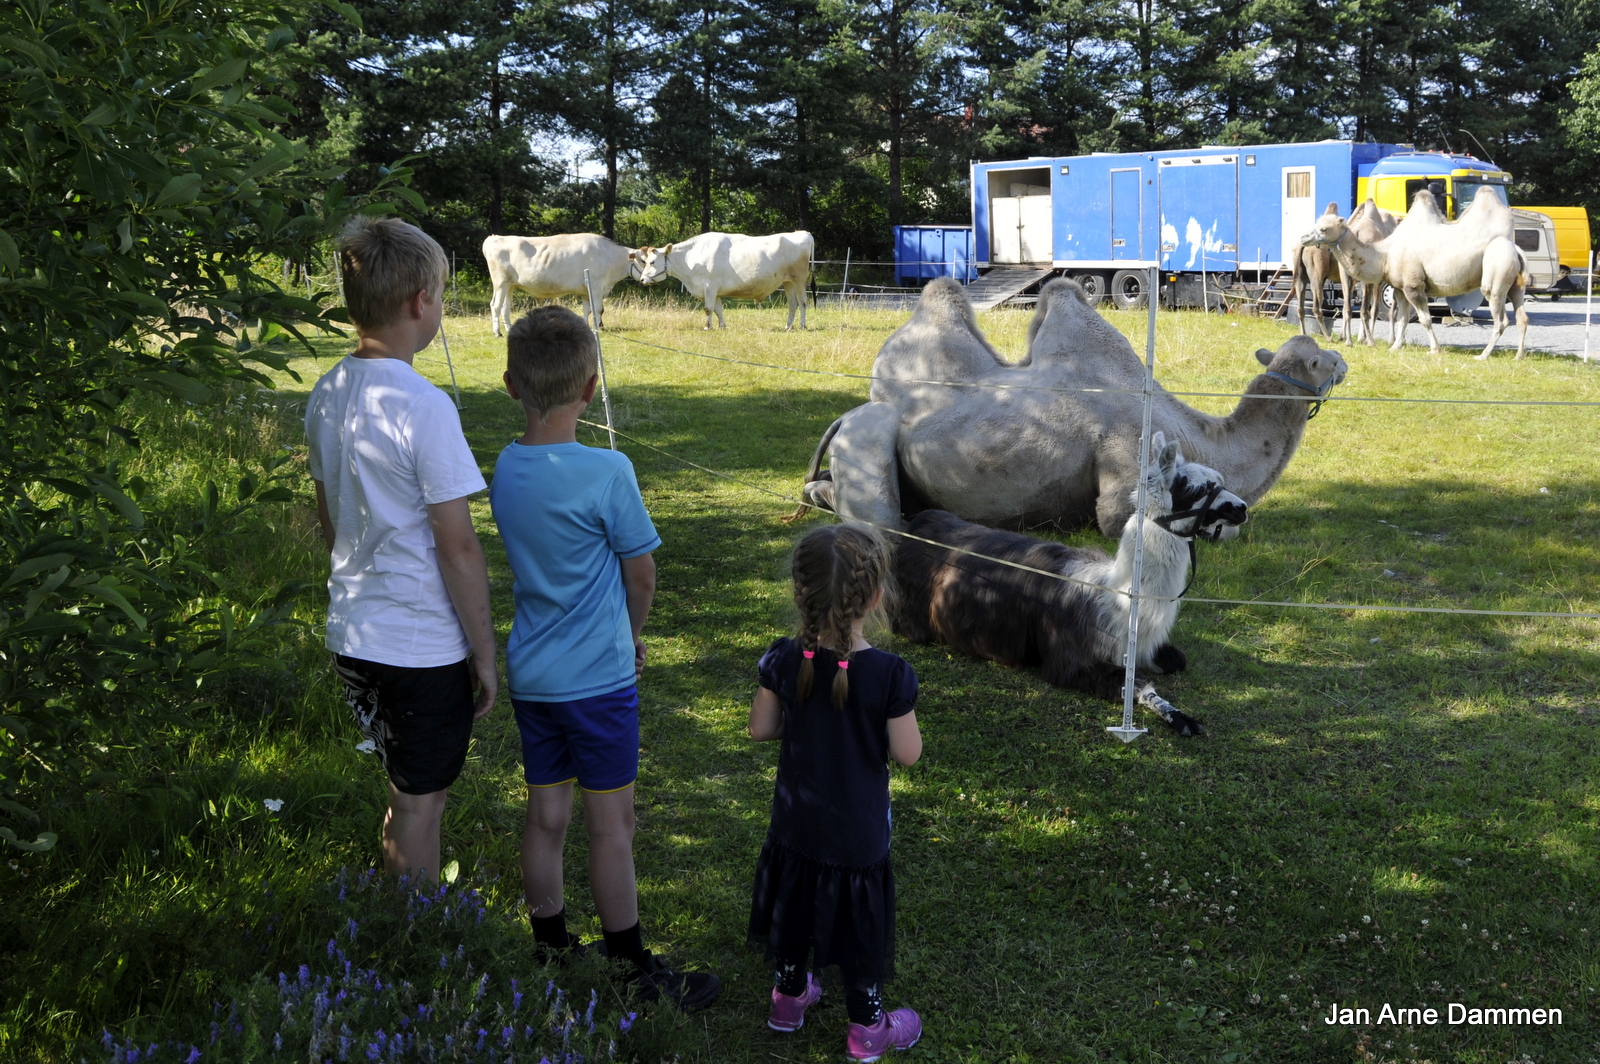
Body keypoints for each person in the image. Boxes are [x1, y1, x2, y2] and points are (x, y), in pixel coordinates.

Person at [489, 305, 720, 1010]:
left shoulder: (504, 464)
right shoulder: (609, 471)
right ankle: (629, 969)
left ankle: (552, 948)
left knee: (545, 817)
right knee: (611, 824)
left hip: (533, 675)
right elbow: (641, 574)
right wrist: (631, 633)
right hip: (598, 681)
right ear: (591, 388)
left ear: (509, 385)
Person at [305, 215, 497, 883]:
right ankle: (412, 943)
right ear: (423, 301)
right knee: (419, 800)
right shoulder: (424, 405)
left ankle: (408, 922)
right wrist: (485, 650)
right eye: (442, 295)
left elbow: (329, 514)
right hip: (418, 642)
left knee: (412, 791)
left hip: (355, 628)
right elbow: (459, 547)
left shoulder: (327, 390)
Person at [748, 523, 924, 1062]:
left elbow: (761, 728)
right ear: (874, 596)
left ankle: (789, 999)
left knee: (795, 904)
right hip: (857, 835)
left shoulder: (783, 658)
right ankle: (868, 1028)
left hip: (796, 825)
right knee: (858, 924)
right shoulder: (890, 674)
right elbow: (908, 752)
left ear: (800, 593)